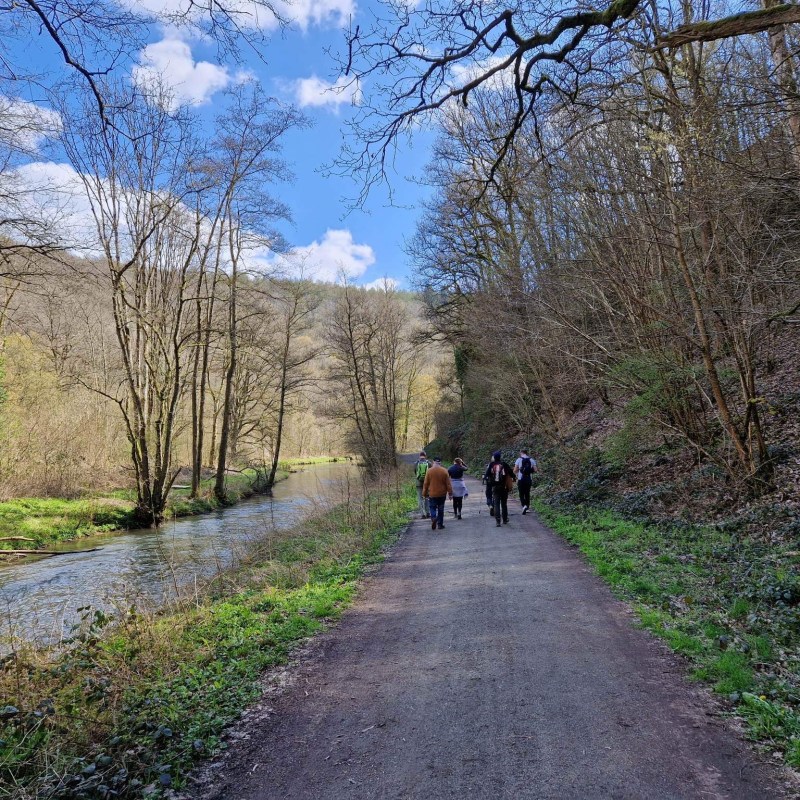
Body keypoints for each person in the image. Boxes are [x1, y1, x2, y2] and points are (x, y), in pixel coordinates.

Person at [483, 450, 515, 526]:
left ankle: (498, 521)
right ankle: (504, 519)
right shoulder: (504, 464)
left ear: (494, 457)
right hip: (504, 487)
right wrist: (514, 478)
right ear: (500, 457)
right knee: (504, 504)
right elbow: (511, 474)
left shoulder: (491, 464)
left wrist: (487, 480)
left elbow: (486, 476)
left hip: (495, 488)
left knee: (496, 504)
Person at [422, 456, 453, 530]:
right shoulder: (444, 471)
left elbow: (426, 484)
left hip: (432, 493)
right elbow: (448, 484)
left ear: (433, 462)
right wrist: (450, 493)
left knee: (432, 507)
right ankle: (440, 524)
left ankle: (433, 518)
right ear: (440, 462)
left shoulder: (429, 471)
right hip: (442, 494)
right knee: (440, 509)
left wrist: (424, 493)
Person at [514, 449, 538, 515]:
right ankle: (527, 507)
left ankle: (524, 506)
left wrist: (519, 470)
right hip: (528, 479)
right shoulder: (531, 460)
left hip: (521, 479)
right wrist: (530, 470)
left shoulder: (519, 460)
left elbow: (515, 470)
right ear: (527, 453)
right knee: (527, 493)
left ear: (521, 452)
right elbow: (535, 470)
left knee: (521, 493)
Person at [414, 451, 431, 519]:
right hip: (427, 483)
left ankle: (422, 514)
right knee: (427, 497)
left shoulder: (416, 463)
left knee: (420, 498)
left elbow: (415, 472)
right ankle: (428, 513)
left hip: (419, 483)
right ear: (425, 456)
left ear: (419, 456)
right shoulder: (429, 463)